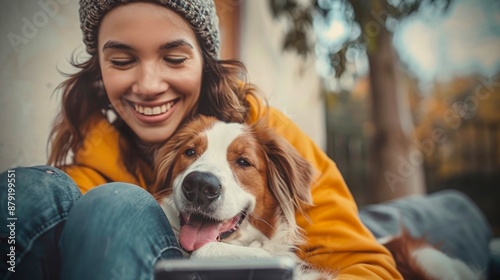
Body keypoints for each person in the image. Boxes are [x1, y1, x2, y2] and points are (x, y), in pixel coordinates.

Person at [0, 0, 492, 279]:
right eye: (123, 59)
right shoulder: (83, 177)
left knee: (444, 230)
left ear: (203, 61)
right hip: (256, 234)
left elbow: (365, 263)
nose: (148, 85)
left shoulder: (265, 128)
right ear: (100, 70)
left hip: (368, 226)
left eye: (174, 57)